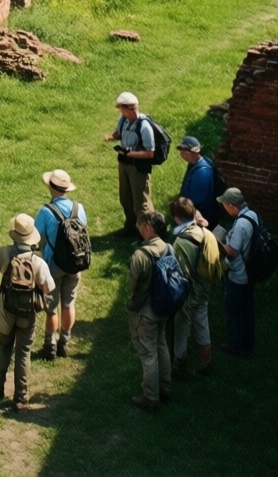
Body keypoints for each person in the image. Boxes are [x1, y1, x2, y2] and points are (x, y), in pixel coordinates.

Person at [0, 213, 55, 412]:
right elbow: (47, 288)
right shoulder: (39, 263)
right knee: (23, 352)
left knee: (4, 345)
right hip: (27, 314)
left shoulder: (2, 252)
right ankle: (20, 397)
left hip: (6, 310)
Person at [32, 168, 87, 360]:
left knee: (51, 308)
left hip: (53, 266)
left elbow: (36, 239)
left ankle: (50, 345)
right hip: (75, 263)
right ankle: (65, 340)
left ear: (51, 188)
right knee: (69, 303)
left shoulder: (46, 212)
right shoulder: (78, 208)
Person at [126, 211, 174, 412]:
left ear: (148, 228)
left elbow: (132, 286)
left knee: (148, 353)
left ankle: (151, 398)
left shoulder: (140, 255)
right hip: (164, 306)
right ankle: (165, 388)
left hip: (145, 312)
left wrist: (131, 304)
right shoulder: (169, 247)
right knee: (161, 344)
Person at [168, 195, 216, 378]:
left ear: (177, 218)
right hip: (204, 286)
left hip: (189, 291)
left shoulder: (181, 241)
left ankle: (178, 363)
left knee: (182, 325)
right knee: (202, 323)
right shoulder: (204, 232)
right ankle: (206, 362)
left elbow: (180, 272)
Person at [104, 91, 154, 234]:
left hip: (138, 168)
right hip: (124, 164)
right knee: (125, 198)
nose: (120, 111)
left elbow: (150, 153)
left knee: (141, 203)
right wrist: (112, 137)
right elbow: (119, 133)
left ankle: (148, 233)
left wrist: (131, 154)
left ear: (130, 108)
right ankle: (131, 227)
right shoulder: (124, 120)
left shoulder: (145, 127)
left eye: (122, 108)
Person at [216, 186, 258, 357]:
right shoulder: (252, 215)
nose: (224, 208)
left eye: (225, 205)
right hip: (251, 271)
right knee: (247, 308)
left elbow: (232, 251)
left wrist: (217, 243)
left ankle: (235, 344)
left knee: (233, 310)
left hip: (238, 275)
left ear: (232, 205)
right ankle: (248, 340)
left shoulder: (240, 225)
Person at [178, 136, 224, 230]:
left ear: (193, 152)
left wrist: (182, 209)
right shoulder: (194, 163)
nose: (181, 153)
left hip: (201, 218)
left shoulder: (202, 173)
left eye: (184, 150)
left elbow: (198, 201)